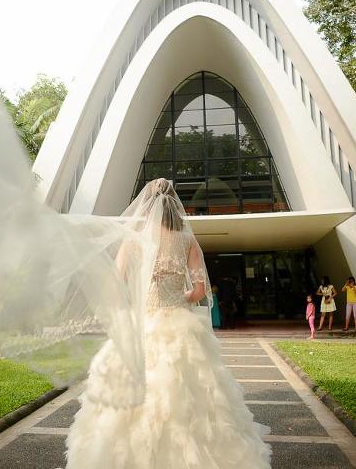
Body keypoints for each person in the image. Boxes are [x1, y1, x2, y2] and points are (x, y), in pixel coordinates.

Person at [65, 179, 271, 469]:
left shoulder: (134, 238)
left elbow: (117, 282)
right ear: (175, 204)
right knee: (197, 394)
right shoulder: (187, 240)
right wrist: (183, 295)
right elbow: (200, 292)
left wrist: (136, 299)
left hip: (144, 323)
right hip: (180, 322)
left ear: (146, 205)